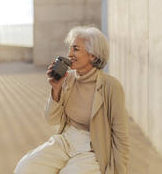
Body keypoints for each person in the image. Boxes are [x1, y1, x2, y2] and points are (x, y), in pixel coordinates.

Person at [14, 26, 129, 174]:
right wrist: (56, 89)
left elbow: (121, 136)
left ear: (93, 55)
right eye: (70, 49)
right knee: (25, 168)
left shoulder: (111, 86)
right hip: (66, 140)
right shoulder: (67, 79)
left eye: (75, 49)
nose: (69, 54)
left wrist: (119, 170)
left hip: (93, 148)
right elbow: (51, 120)